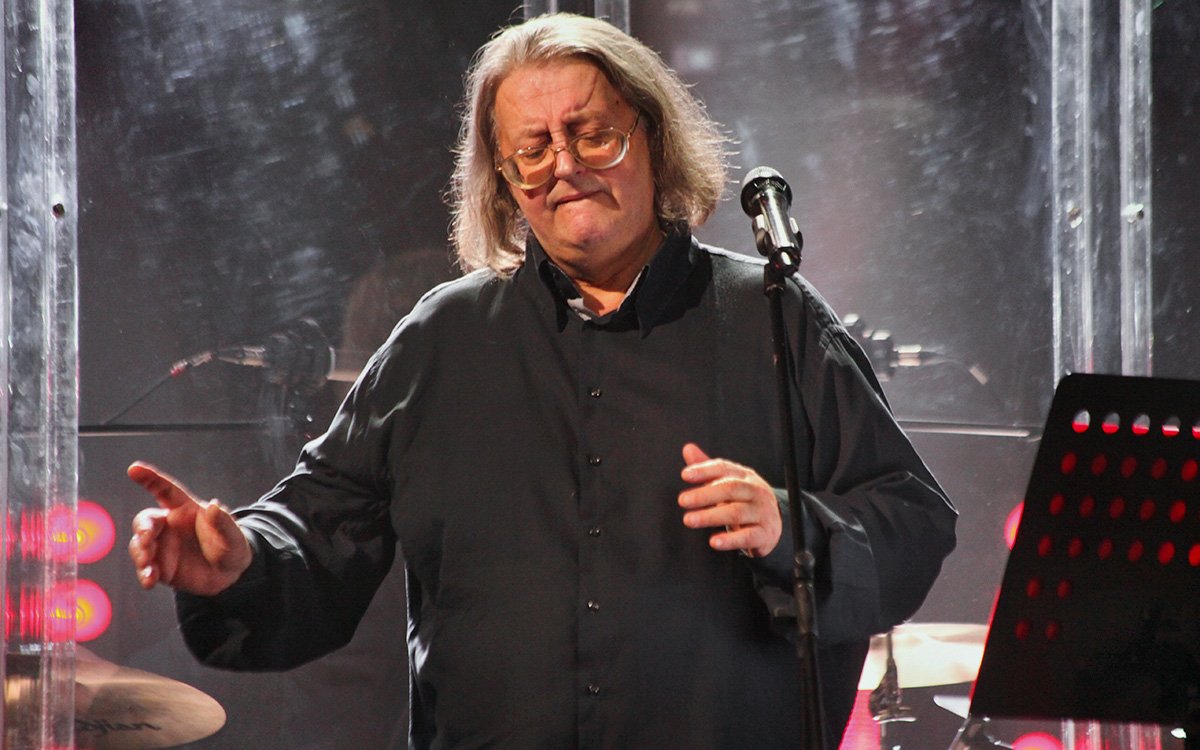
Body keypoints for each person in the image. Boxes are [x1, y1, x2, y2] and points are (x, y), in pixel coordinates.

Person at [127, 13, 957, 749]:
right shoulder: (442, 340)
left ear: (654, 139)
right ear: (503, 178)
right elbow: (322, 523)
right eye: (531, 149)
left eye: (593, 134)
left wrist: (788, 527)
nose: (564, 165)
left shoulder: (774, 317)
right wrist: (241, 561)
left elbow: (911, 522)